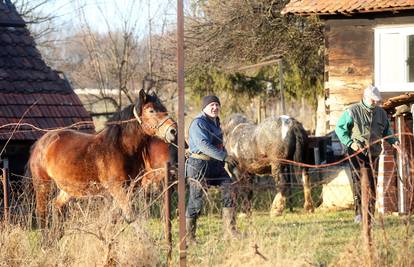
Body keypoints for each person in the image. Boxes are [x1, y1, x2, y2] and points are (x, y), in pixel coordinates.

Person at [335, 85, 400, 223]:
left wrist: (394, 141)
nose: (376, 102)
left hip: (374, 153)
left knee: (372, 183)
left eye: (377, 100)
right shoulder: (352, 111)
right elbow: (340, 129)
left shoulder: (381, 113)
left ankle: (370, 215)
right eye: (373, 100)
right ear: (365, 97)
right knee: (359, 183)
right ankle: (359, 214)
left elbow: (387, 130)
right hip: (356, 153)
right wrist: (351, 143)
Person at [186, 95, 239, 243]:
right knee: (196, 201)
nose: (215, 107)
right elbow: (203, 145)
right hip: (198, 165)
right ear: (204, 108)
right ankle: (189, 237)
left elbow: (219, 145)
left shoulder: (215, 122)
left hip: (215, 165)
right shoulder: (198, 123)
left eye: (217, 105)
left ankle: (230, 231)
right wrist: (224, 157)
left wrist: (227, 158)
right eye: (212, 105)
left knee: (229, 187)